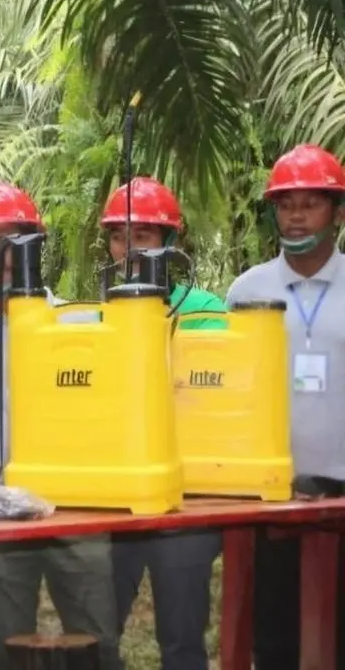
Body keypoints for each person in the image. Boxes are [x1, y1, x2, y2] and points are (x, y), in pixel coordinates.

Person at [0, 182, 123, 670]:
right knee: (7, 648)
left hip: (75, 506)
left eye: (2, 244)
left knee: (97, 643)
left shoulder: (79, 322)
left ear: (32, 247)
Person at [227, 144, 345, 669]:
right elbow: (226, 396)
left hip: (343, 491)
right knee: (274, 638)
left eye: (311, 203)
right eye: (285, 203)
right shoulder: (247, 291)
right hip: (272, 494)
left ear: (338, 213)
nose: (296, 215)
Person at [99, 177, 224, 670]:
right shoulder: (96, 315)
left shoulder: (208, 313)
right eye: (117, 236)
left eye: (143, 236)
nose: (128, 249)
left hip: (187, 496)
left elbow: (213, 394)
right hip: (116, 494)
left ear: (170, 242)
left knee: (182, 638)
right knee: (97, 630)